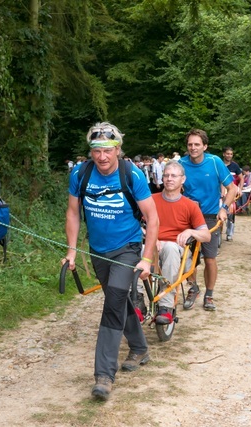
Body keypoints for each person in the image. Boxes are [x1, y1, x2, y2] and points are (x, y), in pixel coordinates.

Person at [64, 122, 159, 401]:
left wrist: (147, 258)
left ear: (117, 149)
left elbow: (152, 218)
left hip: (128, 248)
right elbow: (73, 213)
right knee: (118, 299)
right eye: (96, 150)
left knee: (113, 299)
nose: (102, 157)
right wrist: (72, 250)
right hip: (98, 251)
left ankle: (104, 375)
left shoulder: (133, 175)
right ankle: (140, 347)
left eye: (107, 150)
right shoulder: (80, 174)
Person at [179, 129, 238, 311]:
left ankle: (209, 294)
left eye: (197, 144)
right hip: (188, 216)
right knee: (187, 258)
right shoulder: (180, 164)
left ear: (205, 146)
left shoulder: (214, 162)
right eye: (190, 144)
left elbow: (232, 189)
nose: (193, 148)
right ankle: (193, 288)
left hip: (210, 217)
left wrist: (224, 208)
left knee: (210, 258)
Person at [151, 161, 211, 324]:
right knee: (137, 249)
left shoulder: (190, 205)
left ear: (182, 179)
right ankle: (137, 300)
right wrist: (151, 238)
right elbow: (137, 225)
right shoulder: (150, 200)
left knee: (170, 248)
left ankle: (166, 307)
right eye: (166, 175)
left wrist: (191, 231)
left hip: (177, 251)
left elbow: (206, 235)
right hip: (153, 247)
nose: (169, 179)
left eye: (173, 176)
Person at [222, 146, 243, 242]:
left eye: (231, 154)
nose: (229, 155)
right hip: (219, 192)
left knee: (231, 211)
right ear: (224, 154)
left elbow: (241, 178)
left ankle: (229, 233)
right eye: (227, 154)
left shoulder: (235, 166)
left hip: (231, 191)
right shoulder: (219, 164)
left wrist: (240, 189)